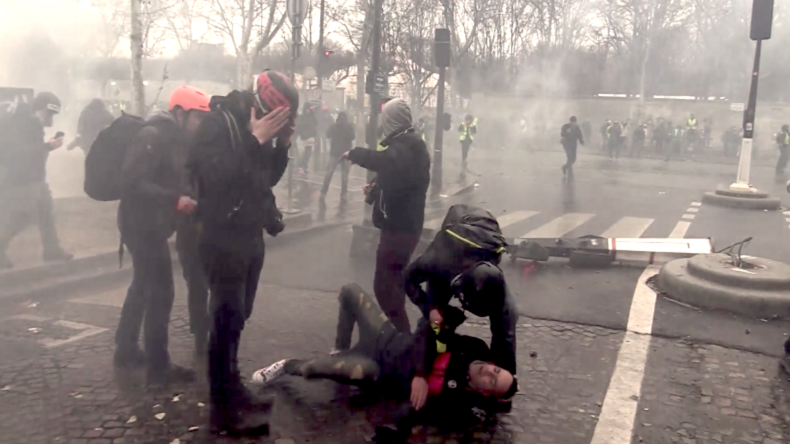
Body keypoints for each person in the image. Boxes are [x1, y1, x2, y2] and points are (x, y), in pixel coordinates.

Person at [251, 283, 518, 441]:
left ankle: (286, 365)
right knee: (350, 291)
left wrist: (391, 434)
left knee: (315, 369)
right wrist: (421, 372)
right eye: (496, 370)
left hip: (376, 368)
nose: (489, 371)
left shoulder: (455, 397)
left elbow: (414, 412)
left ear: (483, 391)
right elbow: (429, 328)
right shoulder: (473, 348)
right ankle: (339, 348)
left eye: (492, 380)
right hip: (386, 336)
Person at [188, 70, 297, 435]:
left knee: (239, 317)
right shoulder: (218, 124)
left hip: (249, 237)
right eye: (277, 116)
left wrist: (280, 145)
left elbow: (264, 179)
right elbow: (216, 178)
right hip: (221, 237)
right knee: (224, 319)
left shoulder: (258, 129)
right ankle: (222, 411)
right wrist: (255, 138)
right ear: (262, 104)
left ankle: (233, 388)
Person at [113, 85, 210, 388]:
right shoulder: (153, 136)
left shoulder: (175, 139)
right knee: (162, 291)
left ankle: (126, 349)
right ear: (180, 113)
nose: (201, 125)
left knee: (142, 284)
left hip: (150, 224)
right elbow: (131, 181)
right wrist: (174, 200)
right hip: (140, 225)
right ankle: (158, 368)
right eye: (198, 118)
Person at [343, 98, 430, 333]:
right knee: (392, 282)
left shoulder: (407, 145)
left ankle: (402, 336)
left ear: (392, 121)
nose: (382, 123)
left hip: (401, 228)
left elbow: (385, 162)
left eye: (385, 119)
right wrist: (374, 189)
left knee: (383, 286)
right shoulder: (407, 144)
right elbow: (395, 178)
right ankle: (401, 331)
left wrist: (355, 154)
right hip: (401, 226)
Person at [0, 92, 72, 269]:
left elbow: (32, 152)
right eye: (50, 114)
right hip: (21, 178)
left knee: (46, 212)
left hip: (35, 177)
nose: (51, 119)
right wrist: (47, 146)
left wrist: (47, 147)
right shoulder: (22, 123)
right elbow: (16, 154)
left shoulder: (31, 123)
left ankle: (51, 249)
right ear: (40, 109)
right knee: (22, 216)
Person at [320, 111, 355, 203]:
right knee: (329, 174)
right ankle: (324, 192)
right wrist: (335, 127)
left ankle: (343, 194)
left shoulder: (348, 126)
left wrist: (345, 129)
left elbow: (352, 137)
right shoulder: (334, 126)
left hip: (345, 153)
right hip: (335, 153)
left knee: (344, 176)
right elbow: (328, 135)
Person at [296, 103, 317, 174]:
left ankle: (305, 167)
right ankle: (300, 167)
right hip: (302, 138)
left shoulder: (313, 117)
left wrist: (315, 135)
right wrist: (300, 134)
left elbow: (315, 126)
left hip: (310, 138)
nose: (308, 110)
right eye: (307, 109)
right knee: (302, 154)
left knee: (308, 154)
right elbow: (298, 127)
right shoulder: (301, 117)